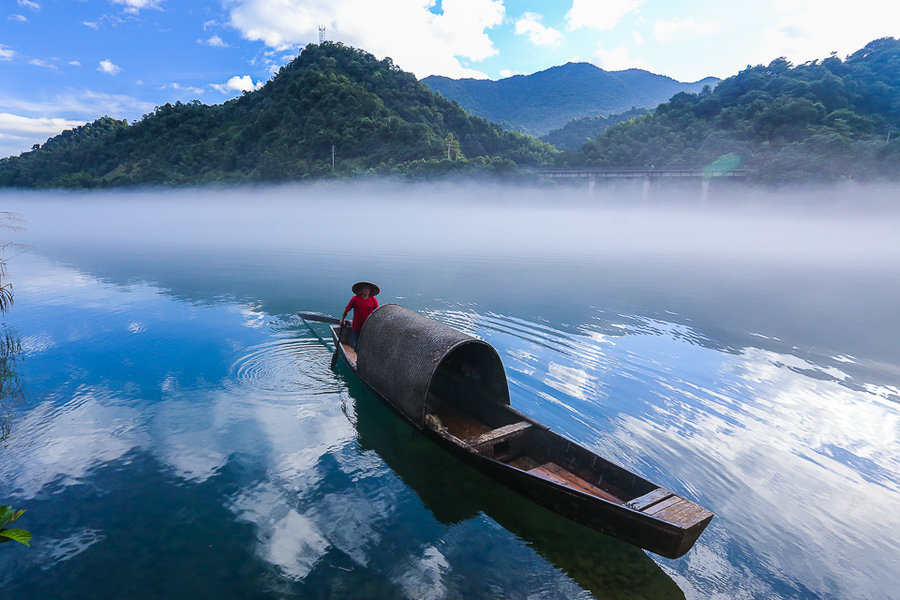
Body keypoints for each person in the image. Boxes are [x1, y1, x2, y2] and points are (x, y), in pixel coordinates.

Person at [341, 281, 380, 352]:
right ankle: (358, 359)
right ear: (361, 290)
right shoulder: (355, 299)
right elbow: (347, 310)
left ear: (370, 291)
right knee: (356, 346)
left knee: (367, 345)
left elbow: (377, 312)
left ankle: (363, 359)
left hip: (368, 326)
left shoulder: (373, 300)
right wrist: (343, 320)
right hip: (357, 326)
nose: (366, 291)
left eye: (368, 289)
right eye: (364, 289)